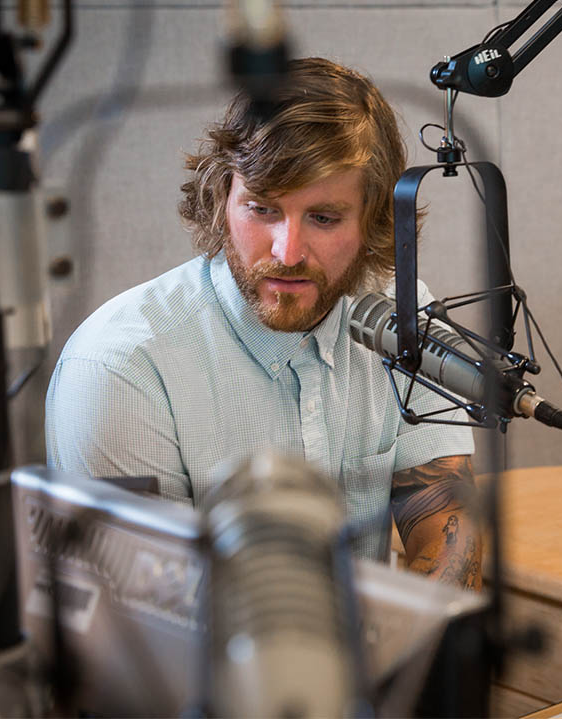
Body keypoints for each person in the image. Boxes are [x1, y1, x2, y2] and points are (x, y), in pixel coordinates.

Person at [45, 58, 481, 589]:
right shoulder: (119, 368)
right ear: (222, 198)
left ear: (374, 218)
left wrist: (410, 658)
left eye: (323, 218)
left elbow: (447, 531)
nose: (288, 251)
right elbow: (146, 614)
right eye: (262, 209)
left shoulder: (401, 321)